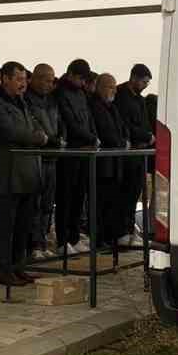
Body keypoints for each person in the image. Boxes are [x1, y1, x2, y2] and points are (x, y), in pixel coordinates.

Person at [0, 61, 46, 290]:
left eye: (24, 79)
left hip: (28, 173)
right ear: (6, 79)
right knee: (6, 225)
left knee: (23, 225)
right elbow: (9, 130)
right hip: (8, 172)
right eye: (18, 79)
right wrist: (35, 137)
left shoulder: (23, 102)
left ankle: (18, 265)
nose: (23, 84)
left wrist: (39, 135)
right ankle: (1, 269)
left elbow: (38, 127)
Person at [54, 58, 98, 257]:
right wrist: (90, 137)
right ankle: (63, 240)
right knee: (66, 197)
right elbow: (69, 121)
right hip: (70, 152)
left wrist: (94, 138)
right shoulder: (60, 92)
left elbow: (88, 118)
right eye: (80, 79)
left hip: (84, 150)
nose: (82, 83)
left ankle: (73, 237)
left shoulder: (80, 93)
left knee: (79, 197)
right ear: (71, 74)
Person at [26, 64, 65, 256]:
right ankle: (33, 244)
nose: (51, 84)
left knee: (48, 204)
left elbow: (59, 122)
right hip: (37, 158)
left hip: (53, 158)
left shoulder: (51, 100)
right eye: (48, 80)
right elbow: (35, 126)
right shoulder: (27, 99)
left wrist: (61, 138)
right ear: (37, 78)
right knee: (36, 203)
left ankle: (41, 242)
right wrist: (51, 140)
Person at [114, 63, 153, 242]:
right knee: (124, 194)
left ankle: (130, 229)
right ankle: (121, 231)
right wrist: (145, 135)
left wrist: (148, 136)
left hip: (140, 152)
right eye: (143, 82)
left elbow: (144, 123)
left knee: (134, 193)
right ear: (134, 78)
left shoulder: (139, 99)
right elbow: (125, 124)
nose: (145, 86)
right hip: (127, 154)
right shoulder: (120, 95)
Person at [90, 72, 129, 249]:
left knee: (112, 203)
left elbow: (122, 128)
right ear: (100, 87)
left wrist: (125, 141)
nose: (113, 90)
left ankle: (108, 236)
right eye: (109, 87)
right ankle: (98, 239)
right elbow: (107, 133)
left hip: (115, 164)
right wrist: (121, 143)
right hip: (102, 165)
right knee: (100, 204)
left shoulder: (112, 107)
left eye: (114, 87)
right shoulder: (96, 106)